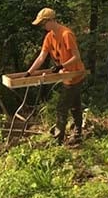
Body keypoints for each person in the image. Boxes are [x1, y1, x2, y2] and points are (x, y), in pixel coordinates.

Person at [24, 7, 87, 145]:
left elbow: (77, 57)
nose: (43, 26)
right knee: (75, 106)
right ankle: (77, 135)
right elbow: (41, 57)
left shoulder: (66, 34)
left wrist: (61, 66)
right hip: (65, 76)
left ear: (51, 20)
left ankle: (58, 139)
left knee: (62, 107)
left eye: (44, 23)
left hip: (75, 75)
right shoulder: (49, 37)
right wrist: (29, 72)